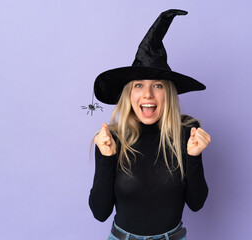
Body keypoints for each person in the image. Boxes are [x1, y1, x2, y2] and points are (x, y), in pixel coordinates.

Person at [89, 9, 211, 240]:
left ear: (169, 93)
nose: (147, 95)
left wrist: (194, 156)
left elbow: (197, 203)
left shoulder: (187, 133)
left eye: (157, 86)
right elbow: (100, 212)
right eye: (138, 85)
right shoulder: (111, 139)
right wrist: (106, 157)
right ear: (128, 94)